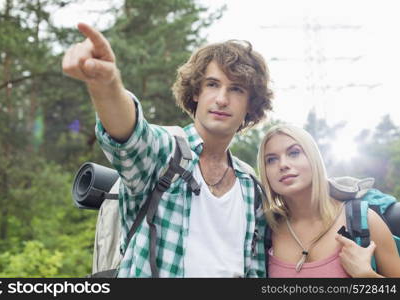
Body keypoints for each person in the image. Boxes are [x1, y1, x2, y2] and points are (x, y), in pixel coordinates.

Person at [62, 23, 273, 277]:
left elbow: (256, 271)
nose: (221, 99)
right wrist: (106, 84)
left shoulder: (251, 186)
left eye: (236, 89)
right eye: (213, 85)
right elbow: (130, 136)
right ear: (196, 92)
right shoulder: (167, 152)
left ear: (251, 104)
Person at [258, 124, 400, 277]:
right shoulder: (265, 230)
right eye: (271, 160)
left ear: (314, 159)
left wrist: (367, 276)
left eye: (294, 153)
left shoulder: (366, 220)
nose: (283, 165)